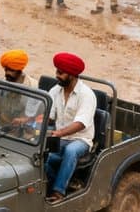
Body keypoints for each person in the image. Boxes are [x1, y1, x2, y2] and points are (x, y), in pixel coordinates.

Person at [45, 52, 96, 203]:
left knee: (71, 151)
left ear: (72, 75)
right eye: (56, 72)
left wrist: (59, 133)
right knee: (42, 156)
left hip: (81, 140)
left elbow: (81, 124)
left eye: (60, 73)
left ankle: (58, 192)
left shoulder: (87, 95)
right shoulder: (55, 91)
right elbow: (49, 116)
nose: (57, 75)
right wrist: (30, 121)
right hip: (60, 138)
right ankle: (61, 185)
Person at [0, 49, 40, 124]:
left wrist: (24, 120)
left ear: (20, 70)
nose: (7, 73)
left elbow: (37, 117)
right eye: (6, 69)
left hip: (20, 132)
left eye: (11, 70)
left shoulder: (33, 88)